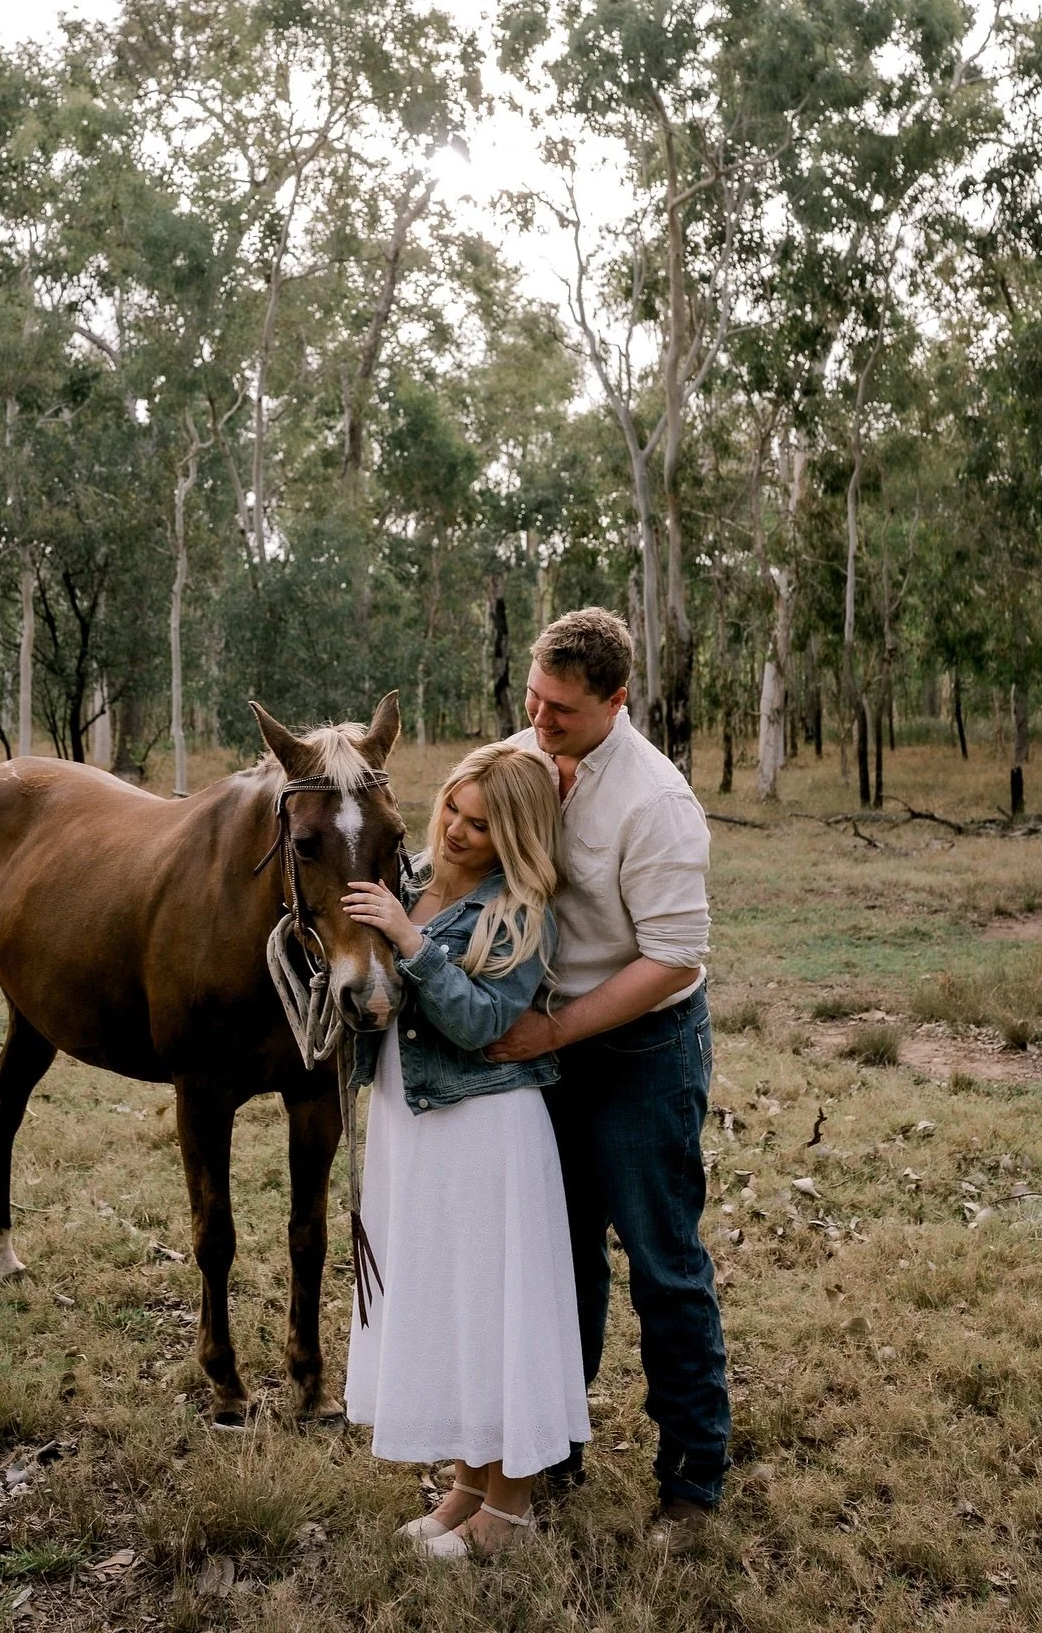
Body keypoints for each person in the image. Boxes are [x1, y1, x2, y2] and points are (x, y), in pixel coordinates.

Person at [486, 607, 729, 1553]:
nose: (538, 723)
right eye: (532, 701)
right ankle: (555, 1451)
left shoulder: (656, 801)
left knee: (663, 1264)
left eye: (561, 712)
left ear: (615, 702)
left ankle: (692, 1480)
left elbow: (672, 957)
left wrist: (554, 1028)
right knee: (559, 1262)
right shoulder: (523, 750)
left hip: (642, 1049)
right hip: (544, 1048)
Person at [341, 741, 590, 1559]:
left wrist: (412, 944)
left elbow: (484, 1022)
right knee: (450, 1302)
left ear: (511, 840)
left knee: (491, 1309)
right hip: (414, 1129)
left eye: (480, 827)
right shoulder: (404, 879)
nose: (456, 830)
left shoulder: (518, 909)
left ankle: (510, 1510)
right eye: (454, 807)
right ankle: (469, 1484)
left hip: (485, 1133)